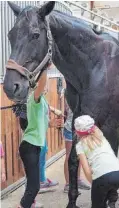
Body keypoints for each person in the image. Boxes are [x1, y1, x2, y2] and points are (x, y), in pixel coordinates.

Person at [18, 70, 61, 208]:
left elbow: (39, 121)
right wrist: (45, 66)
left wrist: (51, 124)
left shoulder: (41, 100)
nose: (47, 85)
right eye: (45, 83)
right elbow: (41, 82)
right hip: (29, 146)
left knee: (34, 186)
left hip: (34, 147)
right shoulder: (35, 97)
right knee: (33, 187)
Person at [75, 115, 119, 208]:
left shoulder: (80, 145)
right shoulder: (101, 138)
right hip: (118, 174)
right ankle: (111, 197)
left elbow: (86, 169)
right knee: (105, 195)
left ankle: (109, 196)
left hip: (102, 177)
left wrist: (94, 184)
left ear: (78, 132)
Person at [13, 103, 60, 194]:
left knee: (41, 158)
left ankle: (42, 179)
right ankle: (39, 183)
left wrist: (52, 109)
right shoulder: (30, 100)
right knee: (36, 161)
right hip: (34, 135)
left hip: (37, 134)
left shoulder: (36, 99)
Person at [63, 100, 90, 192]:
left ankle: (77, 180)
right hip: (70, 128)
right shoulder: (69, 93)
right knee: (69, 155)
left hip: (80, 129)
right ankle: (68, 184)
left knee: (79, 155)